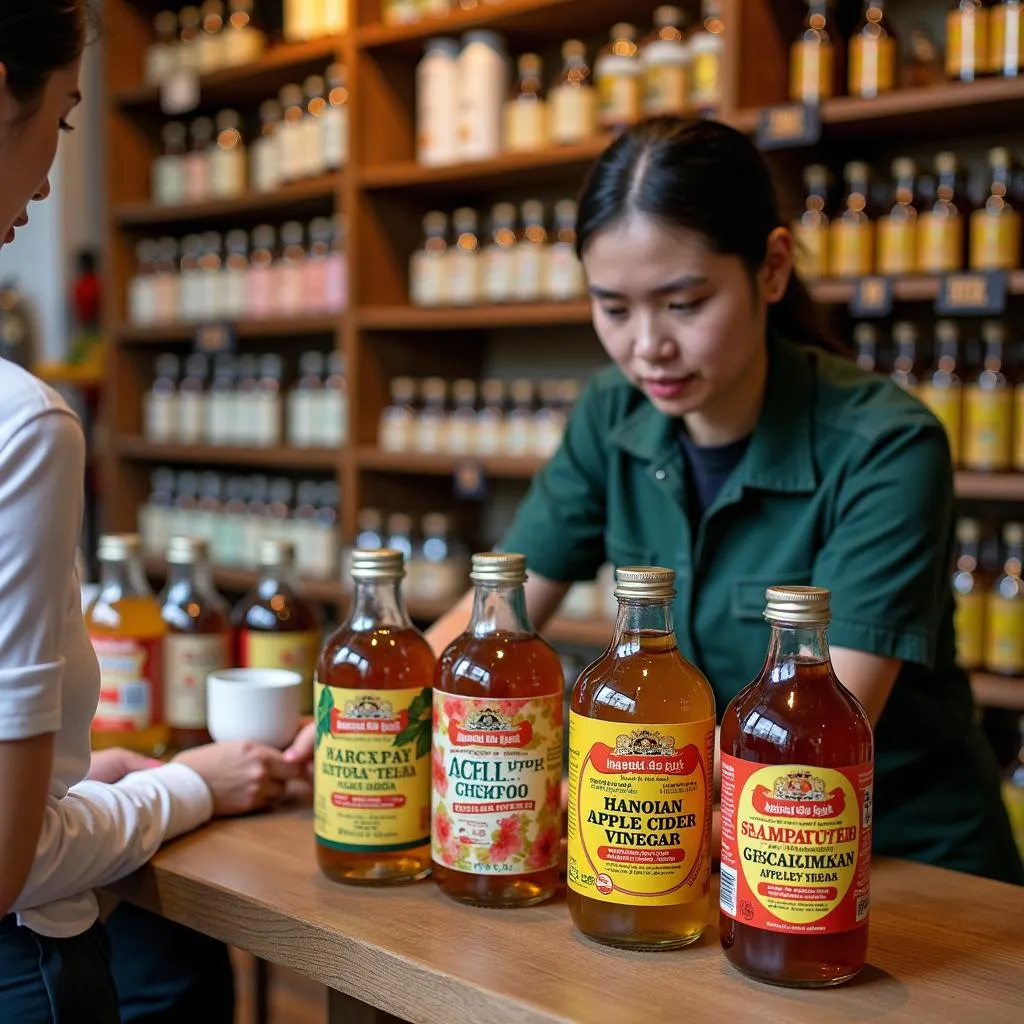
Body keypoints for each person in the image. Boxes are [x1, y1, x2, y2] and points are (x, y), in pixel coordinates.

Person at [286, 116, 1024, 885]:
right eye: (613, 308)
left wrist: (608, 799)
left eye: (683, 303)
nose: (647, 347)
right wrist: (372, 722)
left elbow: (816, 729)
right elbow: (498, 615)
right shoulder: (612, 413)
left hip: (880, 857)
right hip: (670, 835)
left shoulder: (887, 445)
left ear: (772, 269)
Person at [0, 5, 301, 1021]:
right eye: (66, 121)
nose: (48, 179)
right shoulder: (23, 428)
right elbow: (7, 862)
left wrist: (74, 788)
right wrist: (187, 788)